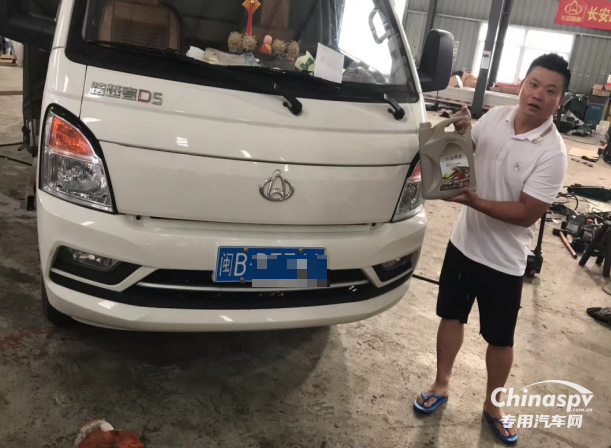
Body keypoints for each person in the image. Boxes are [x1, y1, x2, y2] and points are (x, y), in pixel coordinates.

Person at [414, 53, 570, 445]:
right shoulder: (497, 117)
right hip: (463, 243)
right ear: (522, 85)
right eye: (533, 84)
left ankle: (493, 405)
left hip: (504, 261)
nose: (538, 95)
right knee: (451, 317)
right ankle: (441, 383)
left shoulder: (553, 153)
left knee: (501, 339)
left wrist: (474, 201)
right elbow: (467, 154)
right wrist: (463, 132)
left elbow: (527, 213)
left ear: (560, 100)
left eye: (550, 90)